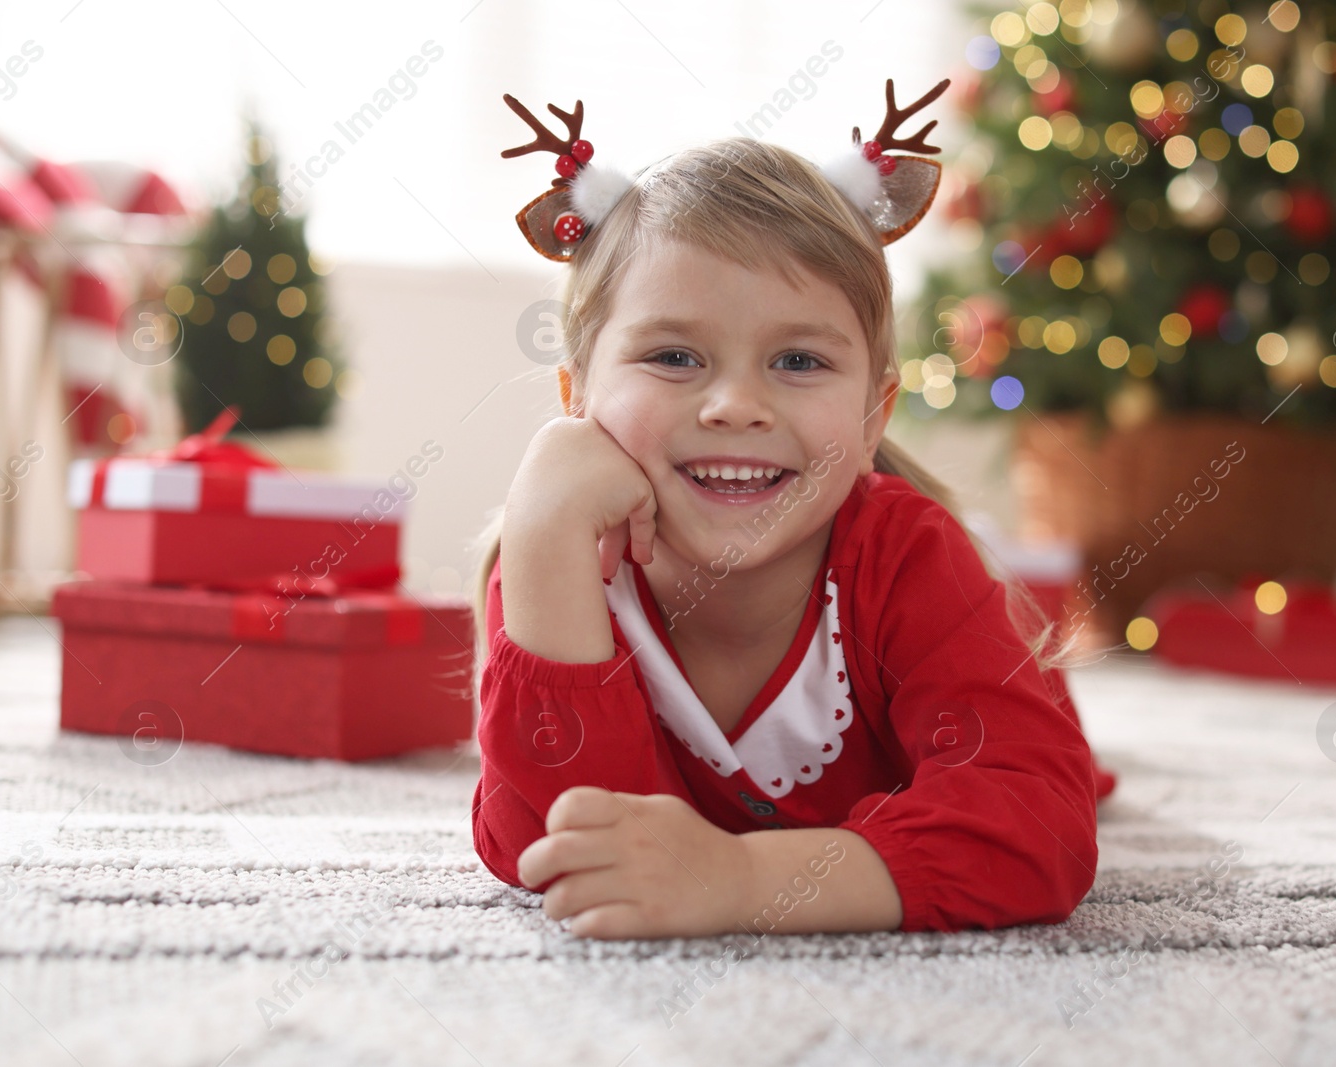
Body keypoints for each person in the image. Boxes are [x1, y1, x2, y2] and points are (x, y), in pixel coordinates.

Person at [468, 84, 1115, 940]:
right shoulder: (557, 552)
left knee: (1056, 736)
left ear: (873, 414)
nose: (736, 404)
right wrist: (543, 533)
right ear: (577, 397)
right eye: (673, 355)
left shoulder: (910, 558)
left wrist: (743, 880)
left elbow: (1036, 828)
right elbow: (550, 844)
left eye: (800, 360)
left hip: (959, 646)